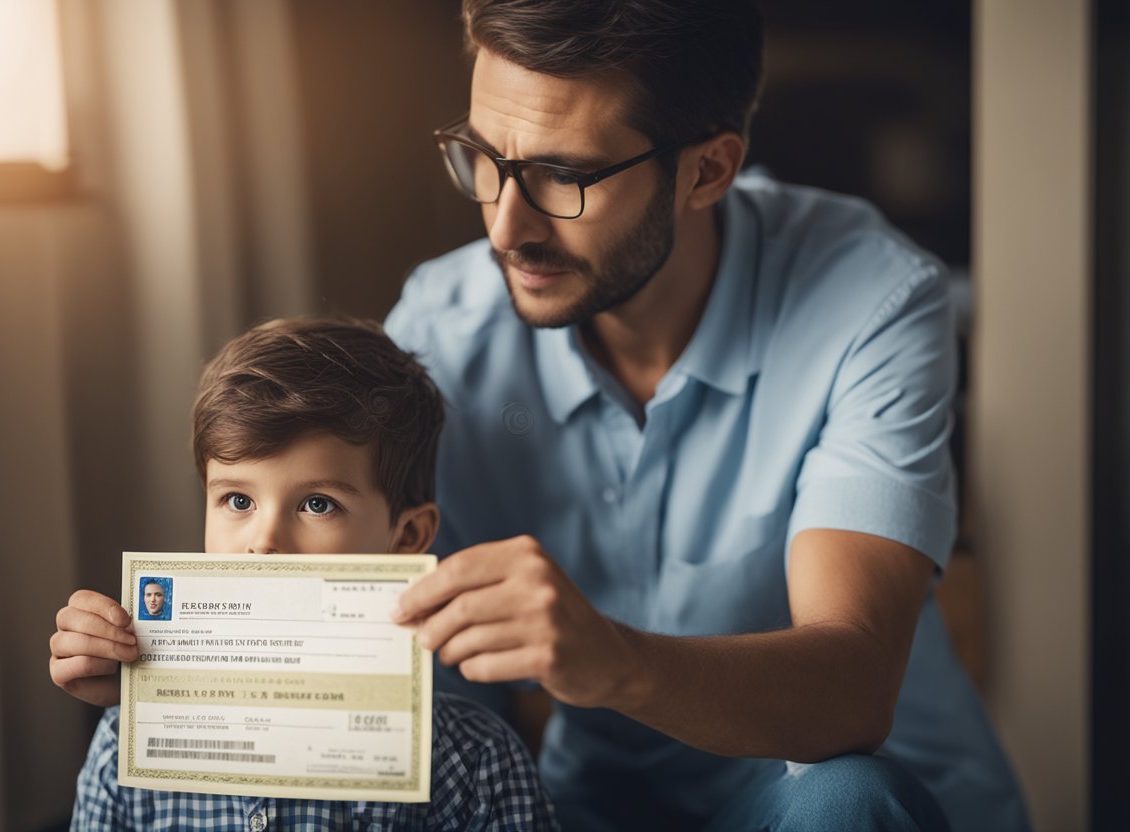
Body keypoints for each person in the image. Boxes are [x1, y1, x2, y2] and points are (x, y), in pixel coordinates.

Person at [379, 2, 1030, 831]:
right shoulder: (440, 332)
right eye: (482, 157)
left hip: (850, 802)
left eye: (566, 176)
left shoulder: (872, 300)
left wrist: (607, 659)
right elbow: (370, 622)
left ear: (709, 171)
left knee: (846, 796)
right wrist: (180, 656)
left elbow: (852, 689)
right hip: (595, 806)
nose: (507, 228)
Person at [55, 318, 558, 830]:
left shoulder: (476, 764)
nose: (264, 541)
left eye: (318, 504)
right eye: (237, 499)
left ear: (406, 538)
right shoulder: (129, 743)